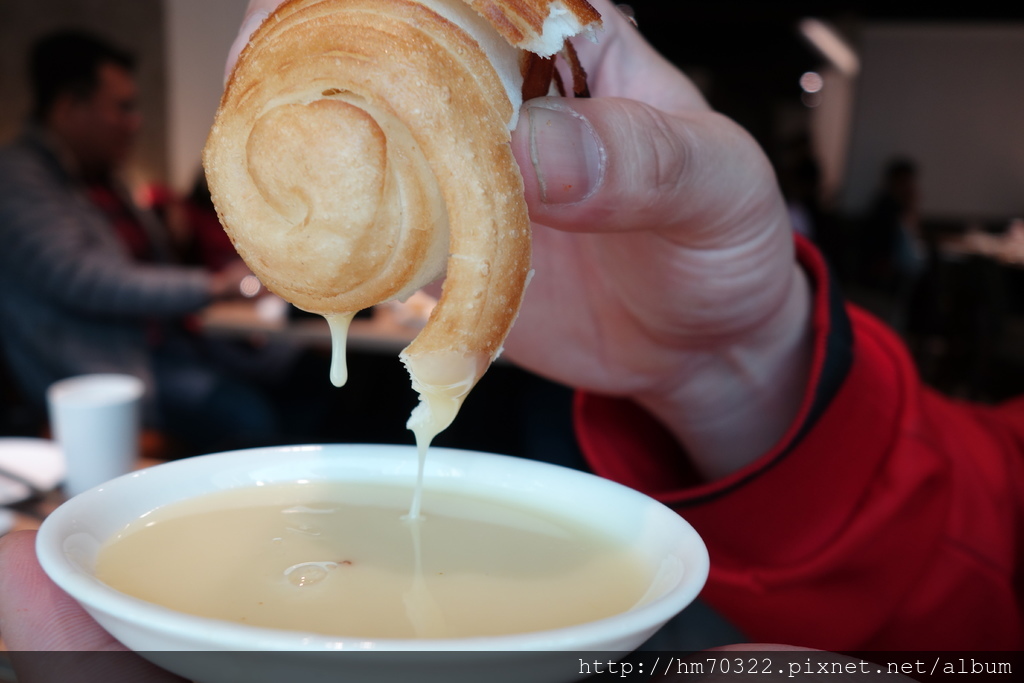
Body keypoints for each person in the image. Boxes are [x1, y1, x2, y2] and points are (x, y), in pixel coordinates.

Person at [3, 0, 1024, 666]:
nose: (135, 122)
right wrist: (735, 358)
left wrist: (724, 355)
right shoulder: (35, 183)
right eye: (121, 103)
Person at [0, 30, 282, 454]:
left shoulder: (102, 178)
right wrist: (215, 285)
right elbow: (86, 279)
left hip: (170, 351)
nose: (136, 122)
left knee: (299, 379)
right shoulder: (18, 179)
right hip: (106, 376)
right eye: (123, 108)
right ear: (68, 107)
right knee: (247, 415)